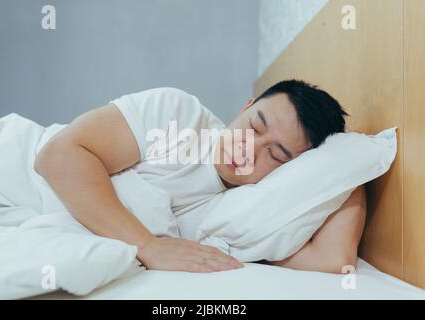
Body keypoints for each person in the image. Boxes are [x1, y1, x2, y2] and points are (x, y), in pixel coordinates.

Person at [34, 80, 367, 274]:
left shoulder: (245, 213)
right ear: (245, 107)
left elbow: (334, 260)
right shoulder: (178, 115)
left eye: (276, 154)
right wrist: (147, 245)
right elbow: (58, 155)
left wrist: (345, 163)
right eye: (253, 126)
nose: (248, 148)